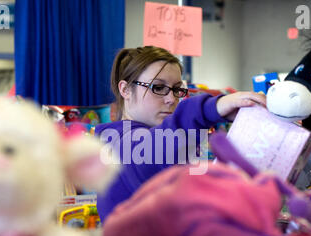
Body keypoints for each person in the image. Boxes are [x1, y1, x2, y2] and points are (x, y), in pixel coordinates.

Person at [95, 46, 266, 222]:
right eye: (159, 87)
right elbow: (154, 149)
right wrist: (211, 108)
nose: (171, 99)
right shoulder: (116, 142)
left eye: (176, 89)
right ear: (125, 90)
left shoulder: (174, 142)